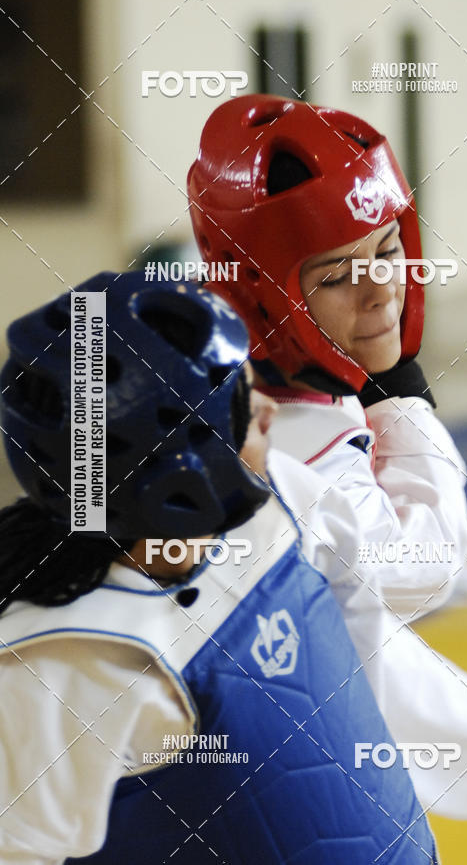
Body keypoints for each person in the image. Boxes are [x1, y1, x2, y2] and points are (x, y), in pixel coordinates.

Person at [186, 93, 467, 819]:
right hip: (300, 795)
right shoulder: (286, 440)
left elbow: (361, 561)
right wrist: (401, 389)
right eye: (336, 274)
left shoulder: (266, 405)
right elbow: (421, 567)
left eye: (386, 251)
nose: (382, 287)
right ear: (263, 299)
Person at [0, 272, 439, 864]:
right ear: (174, 465)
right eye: (240, 400)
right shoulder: (68, 659)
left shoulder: (280, 498)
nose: (268, 410)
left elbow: (409, 572)